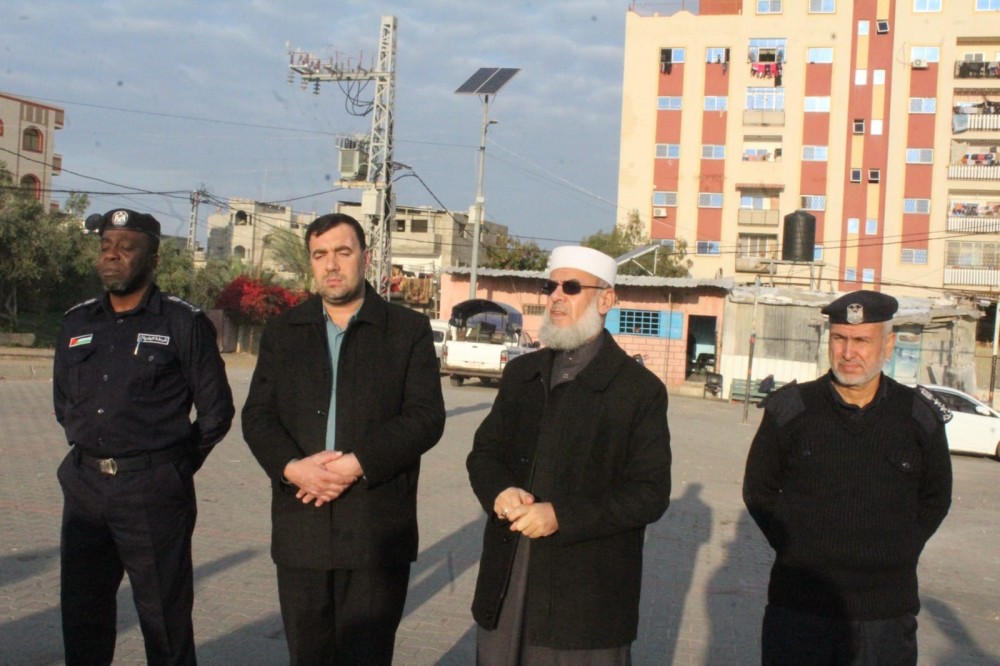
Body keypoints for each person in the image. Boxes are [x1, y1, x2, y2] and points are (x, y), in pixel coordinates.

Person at [241, 213, 445, 665]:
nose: (331, 265)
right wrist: (293, 468)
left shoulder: (406, 330)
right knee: (308, 655)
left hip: (376, 528)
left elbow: (426, 417)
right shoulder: (283, 332)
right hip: (302, 521)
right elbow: (257, 416)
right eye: (320, 255)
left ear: (365, 258)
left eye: (343, 252)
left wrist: (357, 463)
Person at [467, 245, 672, 664]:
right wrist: (500, 490)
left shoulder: (639, 390)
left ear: (606, 299)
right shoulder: (522, 374)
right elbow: (484, 453)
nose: (557, 297)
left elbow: (649, 494)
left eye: (572, 287)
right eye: (551, 287)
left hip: (586, 601)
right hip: (508, 582)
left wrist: (561, 515)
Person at [53, 208, 235, 665]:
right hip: (85, 489)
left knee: (163, 621)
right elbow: (63, 403)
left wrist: (172, 466)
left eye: (126, 247)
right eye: (106, 246)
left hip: (153, 493)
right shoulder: (77, 322)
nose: (111, 254)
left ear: (153, 260)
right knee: (82, 617)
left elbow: (216, 411)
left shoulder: (182, 322)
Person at [743, 290, 953, 666]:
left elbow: (936, 498)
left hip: (885, 614)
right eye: (839, 338)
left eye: (862, 341)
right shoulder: (790, 410)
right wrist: (796, 546)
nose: (848, 352)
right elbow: (758, 490)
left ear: (888, 345)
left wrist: (899, 549)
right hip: (799, 608)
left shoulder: (918, 417)